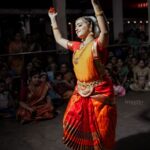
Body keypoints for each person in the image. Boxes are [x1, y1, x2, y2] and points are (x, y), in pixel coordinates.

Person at [48, 0, 117, 149]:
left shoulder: (98, 45)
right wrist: (53, 19)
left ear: (90, 27)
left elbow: (105, 32)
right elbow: (59, 39)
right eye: (76, 25)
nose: (76, 27)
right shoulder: (77, 46)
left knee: (102, 129)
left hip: (100, 92)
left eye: (80, 24)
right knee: (71, 121)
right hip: (80, 91)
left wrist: (96, 5)